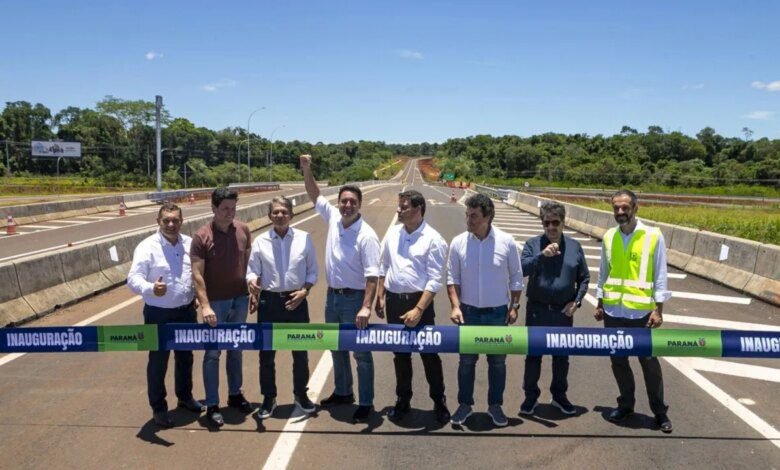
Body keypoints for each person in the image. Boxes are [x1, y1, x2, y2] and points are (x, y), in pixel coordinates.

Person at [300, 154, 381, 423]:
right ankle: (344, 391)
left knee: (361, 353)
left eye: (352, 202)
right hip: (332, 296)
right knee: (335, 347)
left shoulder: (367, 235)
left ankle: (366, 402)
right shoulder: (334, 218)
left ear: (360, 205)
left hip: (354, 299)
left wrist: (366, 306)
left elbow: (372, 276)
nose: (347, 205)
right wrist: (307, 170)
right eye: (344, 201)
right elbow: (314, 194)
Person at [595, 189, 673, 433]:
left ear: (635, 208)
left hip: (640, 313)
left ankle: (659, 412)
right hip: (613, 311)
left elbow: (660, 275)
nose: (620, 212)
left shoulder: (652, 235)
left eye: (625, 207)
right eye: (616, 208)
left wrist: (658, 309)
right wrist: (599, 302)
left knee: (649, 363)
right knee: (618, 361)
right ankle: (626, 404)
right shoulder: (609, 236)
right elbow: (603, 272)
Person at [447, 193, 523, 427]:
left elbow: (517, 277)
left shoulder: (506, 242)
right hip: (468, 313)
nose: (468, 220)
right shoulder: (458, 242)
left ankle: (495, 406)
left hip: (497, 313)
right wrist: (455, 306)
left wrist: (514, 307)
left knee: (497, 363)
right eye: (467, 215)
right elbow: (452, 278)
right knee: (466, 362)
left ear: (488, 217)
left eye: (474, 216)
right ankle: (464, 405)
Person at [375, 190, 450, 424]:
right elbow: (384, 266)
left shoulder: (433, 239)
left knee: (429, 355)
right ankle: (403, 399)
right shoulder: (393, 235)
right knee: (400, 355)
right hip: (394, 301)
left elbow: (435, 279)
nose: (399, 210)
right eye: (400, 206)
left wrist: (418, 309)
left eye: (404, 207)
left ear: (418, 210)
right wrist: (380, 294)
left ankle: (439, 401)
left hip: (420, 303)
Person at [128, 202, 204, 428]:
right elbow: (133, 278)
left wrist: (196, 296)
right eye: (166, 220)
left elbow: (196, 274)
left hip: (186, 312)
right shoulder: (146, 246)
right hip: (158, 314)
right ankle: (159, 408)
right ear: (158, 221)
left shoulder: (190, 243)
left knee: (185, 358)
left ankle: (185, 396)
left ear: (182, 221)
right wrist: (151, 288)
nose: (171, 224)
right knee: (158, 362)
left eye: (176, 220)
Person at [246, 196, 319, 419]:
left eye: (284, 212)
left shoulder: (304, 239)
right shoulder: (260, 241)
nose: (279, 215)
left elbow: (313, 272)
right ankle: (269, 398)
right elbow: (251, 270)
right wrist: (251, 282)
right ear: (269, 215)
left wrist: (304, 291)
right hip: (269, 302)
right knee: (266, 355)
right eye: (275, 212)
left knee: (300, 353)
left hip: (296, 300)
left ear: (291, 215)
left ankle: (301, 394)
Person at [519, 201, 589, 416]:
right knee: (533, 357)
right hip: (537, 310)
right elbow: (522, 269)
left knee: (561, 357)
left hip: (562, 313)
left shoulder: (575, 247)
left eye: (555, 223)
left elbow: (584, 278)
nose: (551, 227)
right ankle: (531, 398)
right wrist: (542, 255)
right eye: (546, 223)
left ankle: (559, 396)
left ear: (563, 223)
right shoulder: (533, 245)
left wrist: (576, 302)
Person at [191, 187, 254, 427]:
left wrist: (251, 290)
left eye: (233, 208)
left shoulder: (244, 230)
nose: (230, 212)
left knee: (236, 349)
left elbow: (248, 263)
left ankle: (235, 394)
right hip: (216, 303)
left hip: (240, 299)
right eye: (225, 208)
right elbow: (197, 275)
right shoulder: (202, 237)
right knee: (213, 353)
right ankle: (213, 403)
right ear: (214, 208)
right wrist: (205, 306)